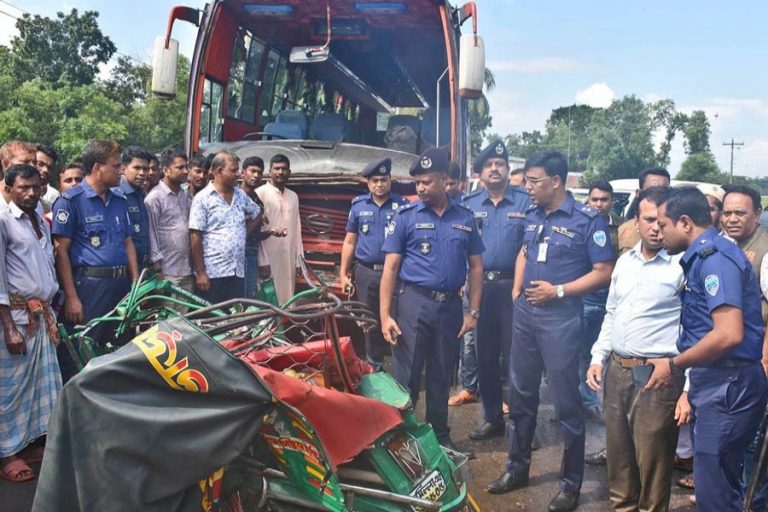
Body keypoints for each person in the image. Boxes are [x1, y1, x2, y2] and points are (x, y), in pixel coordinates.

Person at [488, 150, 614, 512]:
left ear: (556, 182)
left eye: (534, 181)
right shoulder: (532, 214)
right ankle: (517, 469)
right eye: (526, 180)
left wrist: (558, 291)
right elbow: (527, 250)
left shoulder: (587, 220)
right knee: (522, 394)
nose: (527, 187)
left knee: (566, 403)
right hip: (526, 314)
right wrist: (517, 290)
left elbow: (603, 270)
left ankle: (570, 485)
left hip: (560, 317)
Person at [649, 187, 768, 511]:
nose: (658, 232)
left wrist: (675, 364)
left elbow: (728, 334)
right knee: (717, 484)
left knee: (715, 492)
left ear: (685, 223)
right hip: (718, 382)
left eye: (663, 224)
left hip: (728, 385)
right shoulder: (707, 256)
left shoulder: (715, 260)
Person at [586, 186, 689, 511]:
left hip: (657, 376)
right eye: (649, 220)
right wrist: (598, 356)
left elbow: (694, 327)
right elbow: (612, 311)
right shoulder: (625, 262)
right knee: (620, 459)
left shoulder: (682, 265)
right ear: (637, 221)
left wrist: (688, 386)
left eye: (663, 221)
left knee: (654, 464)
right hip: (617, 370)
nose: (657, 227)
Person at [379, 147, 484, 453]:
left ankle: (439, 435)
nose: (421, 188)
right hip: (414, 303)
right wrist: (385, 315)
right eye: (417, 183)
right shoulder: (406, 217)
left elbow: (476, 266)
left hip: (450, 307)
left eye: (426, 182)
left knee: (441, 374)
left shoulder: (465, 218)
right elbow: (391, 268)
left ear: (443, 179)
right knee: (406, 374)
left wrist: (473, 312)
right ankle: (403, 435)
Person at [52, 140, 139, 379]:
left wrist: (134, 285)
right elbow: (61, 252)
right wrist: (71, 297)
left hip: (120, 287)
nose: (121, 170)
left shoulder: (120, 200)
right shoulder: (71, 201)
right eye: (116, 165)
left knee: (116, 348)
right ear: (98, 168)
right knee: (83, 350)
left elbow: (128, 242)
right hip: (89, 288)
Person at [461, 140, 530, 440]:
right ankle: (492, 418)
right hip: (481, 289)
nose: (494, 169)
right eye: (489, 165)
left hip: (515, 290)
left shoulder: (526, 202)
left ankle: (522, 423)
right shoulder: (468, 204)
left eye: (499, 164)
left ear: (507, 169)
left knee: (519, 358)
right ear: (480, 172)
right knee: (485, 356)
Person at [0, 164, 61, 483]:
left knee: (36, 389)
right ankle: (6, 453)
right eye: (23, 188)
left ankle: (26, 444)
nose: (31, 193)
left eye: (35, 187)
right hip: (16, 320)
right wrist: (9, 326)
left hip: (41, 316)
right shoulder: (3, 220)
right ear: (8, 189)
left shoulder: (39, 215)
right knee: (8, 392)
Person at [340, 157, 407, 371]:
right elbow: (350, 241)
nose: (379, 184)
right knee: (369, 321)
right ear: (368, 183)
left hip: (396, 274)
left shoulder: (402, 207)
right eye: (375, 180)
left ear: (390, 181)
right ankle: (374, 365)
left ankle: (400, 369)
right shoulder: (359, 206)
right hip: (366, 272)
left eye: (383, 180)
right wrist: (343, 273)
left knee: (396, 317)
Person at [189, 151, 260, 303]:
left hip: (237, 271)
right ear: (219, 171)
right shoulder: (202, 199)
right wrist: (200, 273)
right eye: (233, 170)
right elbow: (195, 237)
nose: (238, 174)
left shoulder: (240, 195)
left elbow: (257, 212)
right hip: (212, 274)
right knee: (212, 321)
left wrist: (243, 234)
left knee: (234, 321)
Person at [579, 181, 621, 422]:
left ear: (611, 201)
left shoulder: (622, 229)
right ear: (588, 200)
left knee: (603, 353)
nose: (599, 204)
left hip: (609, 301)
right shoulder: (581, 224)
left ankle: (596, 401)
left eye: (604, 200)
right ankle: (580, 400)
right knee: (580, 352)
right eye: (594, 199)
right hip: (584, 298)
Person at [256, 154, 303, 305]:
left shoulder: (293, 196)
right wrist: (262, 261)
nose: (280, 172)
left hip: (288, 258)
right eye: (277, 169)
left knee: (287, 299)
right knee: (268, 299)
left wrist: (299, 262)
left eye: (284, 169)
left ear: (289, 172)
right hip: (268, 259)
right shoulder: (260, 193)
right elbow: (257, 231)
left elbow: (297, 230)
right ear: (269, 171)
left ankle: (284, 328)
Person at [145, 148, 194, 292]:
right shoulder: (155, 198)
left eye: (186, 167)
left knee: (184, 315)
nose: (185, 171)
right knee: (168, 314)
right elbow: (151, 234)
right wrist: (158, 270)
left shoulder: (185, 196)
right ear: (166, 170)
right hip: (167, 273)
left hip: (186, 271)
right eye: (180, 167)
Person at [240, 156, 276, 299]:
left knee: (249, 295)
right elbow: (241, 233)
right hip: (233, 255)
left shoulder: (257, 201)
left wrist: (271, 232)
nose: (256, 175)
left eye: (259, 172)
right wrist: (259, 217)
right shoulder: (233, 197)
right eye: (252, 171)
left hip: (251, 253)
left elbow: (254, 235)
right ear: (243, 172)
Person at [618, 167, 671, 254]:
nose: (658, 195)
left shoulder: (681, 231)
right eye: (651, 190)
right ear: (639, 193)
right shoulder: (624, 231)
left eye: (664, 191)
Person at [116, 146, 152, 268]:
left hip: (143, 264)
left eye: (145, 169)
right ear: (123, 168)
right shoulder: (117, 195)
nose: (142, 173)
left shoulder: (141, 193)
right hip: (125, 267)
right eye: (137, 168)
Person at [36, 144, 60, 211]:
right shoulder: (10, 201)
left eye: (50, 168)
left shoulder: (47, 209)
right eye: (40, 164)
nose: (46, 170)